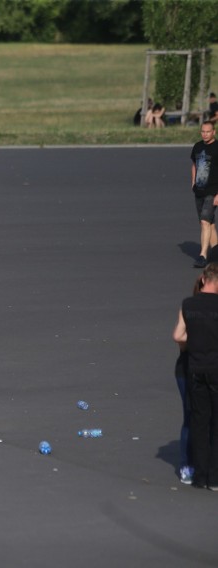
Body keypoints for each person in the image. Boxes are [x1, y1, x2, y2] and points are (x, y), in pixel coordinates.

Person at [172, 263, 218, 490]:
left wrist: (194, 342)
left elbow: (178, 335)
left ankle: (197, 474)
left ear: (203, 280)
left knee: (197, 420)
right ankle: (214, 476)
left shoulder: (188, 305)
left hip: (193, 368)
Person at [191, 122, 218, 268]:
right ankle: (216, 253)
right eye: (203, 131)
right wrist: (193, 181)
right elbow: (194, 164)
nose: (205, 134)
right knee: (209, 223)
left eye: (208, 132)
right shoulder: (197, 146)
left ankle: (203, 255)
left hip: (213, 191)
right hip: (199, 191)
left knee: (204, 222)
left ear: (213, 132)